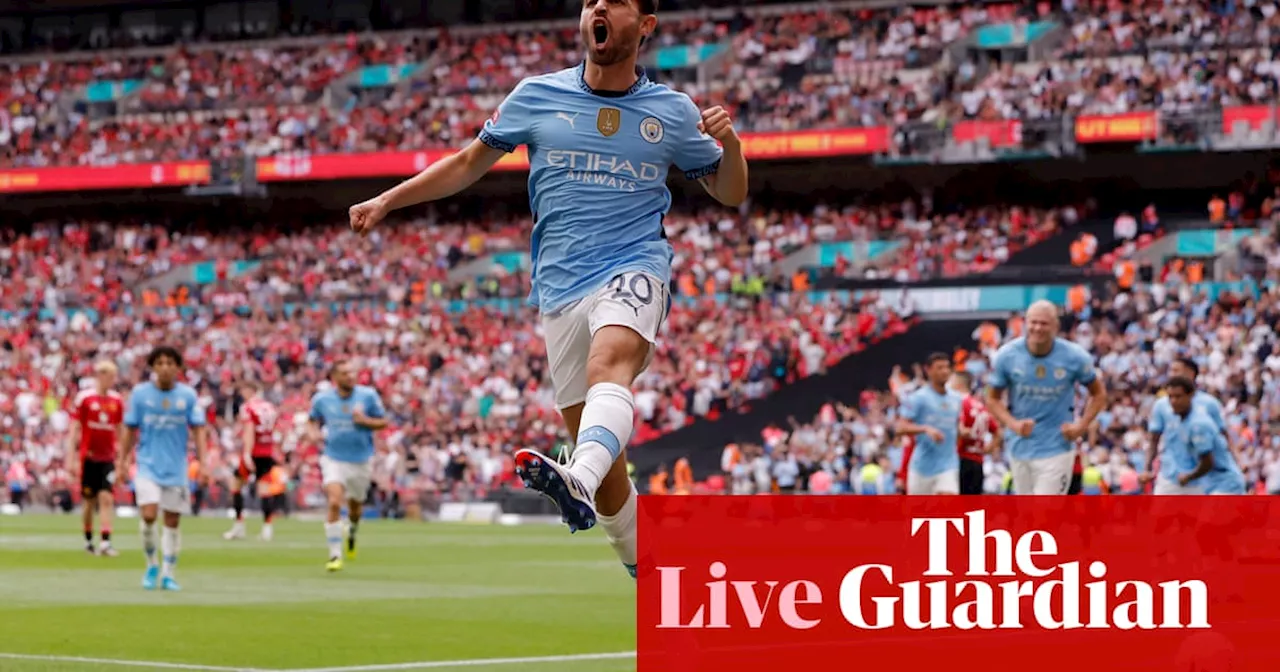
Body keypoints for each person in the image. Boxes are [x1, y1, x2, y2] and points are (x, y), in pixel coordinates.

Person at [346, 0, 747, 579]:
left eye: (616, 1)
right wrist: (388, 199)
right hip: (558, 291)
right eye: (590, 1)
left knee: (609, 368)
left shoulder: (673, 111)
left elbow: (731, 192)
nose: (599, 7)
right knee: (610, 480)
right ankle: (651, 572)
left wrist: (730, 146)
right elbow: (464, 165)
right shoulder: (536, 95)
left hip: (634, 264)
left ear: (647, 26)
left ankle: (574, 476)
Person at [986, 301, 1107, 495]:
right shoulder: (1007, 356)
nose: (1037, 328)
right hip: (1020, 446)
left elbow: (1099, 393)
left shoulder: (1074, 356)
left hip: (1057, 446)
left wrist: (1081, 426)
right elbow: (992, 398)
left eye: (1044, 323)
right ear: (1025, 323)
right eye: (1033, 322)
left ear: (1055, 327)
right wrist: (1012, 424)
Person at [118, 347, 208, 591]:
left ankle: (169, 573)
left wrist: (203, 463)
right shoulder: (140, 395)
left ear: (178, 367)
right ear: (153, 367)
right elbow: (129, 429)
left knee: (172, 521)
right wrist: (122, 461)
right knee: (148, 515)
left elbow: (199, 430)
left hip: (177, 468)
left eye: (170, 362)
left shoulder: (187, 396)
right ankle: (151, 565)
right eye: (160, 363)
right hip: (147, 465)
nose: (165, 367)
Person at [309, 362, 387, 572]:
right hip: (334, 458)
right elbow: (312, 420)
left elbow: (383, 422)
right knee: (334, 501)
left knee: (355, 506)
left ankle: (352, 530)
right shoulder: (322, 399)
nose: (351, 376)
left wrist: (365, 421)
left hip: (361, 459)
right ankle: (335, 555)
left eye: (353, 372)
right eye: (345, 373)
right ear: (335, 377)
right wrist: (313, 432)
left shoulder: (368, 396)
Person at [1144, 357, 1242, 494]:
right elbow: (1154, 439)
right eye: (1170, 397)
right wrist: (1147, 469)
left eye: (1176, 370)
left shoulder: (1201, 416)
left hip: (1207, 478)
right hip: (1173, 476)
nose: (1172, 401)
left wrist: (1238, 460)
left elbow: (1215, 449)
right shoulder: (1168, 409)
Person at [67, 360, 124, 556]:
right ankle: (88, 539)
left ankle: (106, 542)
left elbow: (120, 430)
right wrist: (71, 458)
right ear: (100, 376)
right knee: (89, 502)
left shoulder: (116, 401)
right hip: (88, 458)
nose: (111, 380)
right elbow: (74, 429)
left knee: (107, 498)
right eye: (108, 376)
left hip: (107, 458)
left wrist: (122, 458)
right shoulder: (85, 399)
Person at [894, 353, 963, 495]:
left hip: (948, 465)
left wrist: (962, 432)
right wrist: (925, 429)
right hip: (922, 467)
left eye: (947, 367)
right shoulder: (918, 398)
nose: (944, 371)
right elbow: (900, 428)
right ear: (928, 370)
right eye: (939, 368)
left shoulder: (957, 399)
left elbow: (955, 427)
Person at [225, 381, 282, 541]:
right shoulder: (270, 407)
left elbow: (249, 431)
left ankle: (239, 526)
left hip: (254, 451)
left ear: (250, 390)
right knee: (264, 489)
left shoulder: (248, 407)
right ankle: (267, 529)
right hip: (267, 451)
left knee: (236, 485)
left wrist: (247, 454)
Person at [952, 370, 1001, 495]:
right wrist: (989, 448)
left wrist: (961, 433)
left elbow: (961, 429)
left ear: (958, 383)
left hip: (961, 459)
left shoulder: (959, 402)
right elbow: (998, 431)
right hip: (978, 461)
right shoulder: (980, 407)